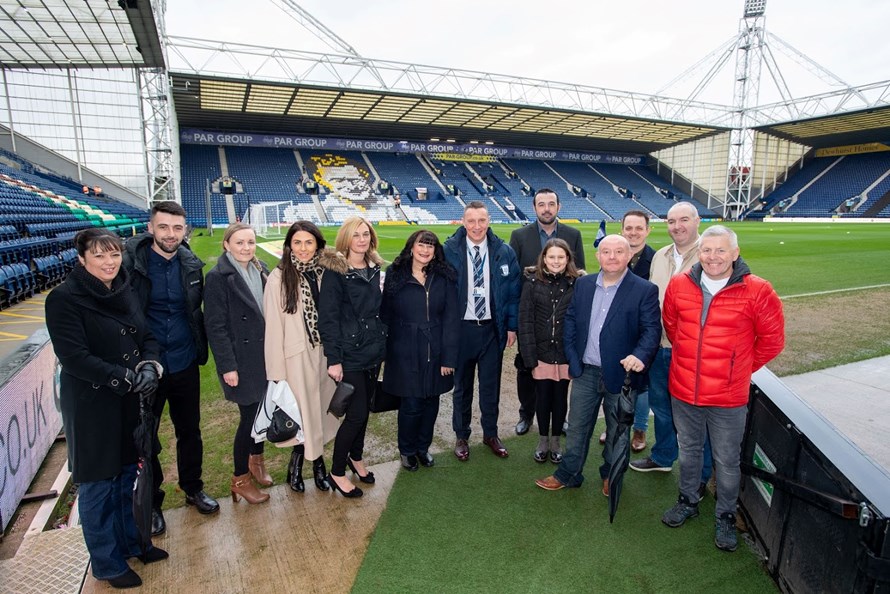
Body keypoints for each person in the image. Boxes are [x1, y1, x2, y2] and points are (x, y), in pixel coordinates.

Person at [45, 229, 168, 589]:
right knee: (99, 487)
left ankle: (134, 543)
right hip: (93, 407)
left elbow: (145, 335)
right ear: (82, 259)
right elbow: (75, 358)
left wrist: (150, 365)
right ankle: (107, 563)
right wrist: (126, 377)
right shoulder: (64, 299)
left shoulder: (123, 288)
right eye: (99, 256)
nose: (109, 262)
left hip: (129, 402)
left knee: (129, 477)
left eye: (114, 254)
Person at [660, 225, 784, 552]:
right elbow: (672, 328)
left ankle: (726, 514)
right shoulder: (679, 285)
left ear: (735, 253)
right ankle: (688, 499)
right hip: (684, 390)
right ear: (699, 253)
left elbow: (772, 341)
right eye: (707, 250)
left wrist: (736, 369)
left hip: (728, 398)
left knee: (727, 461)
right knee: (688, 452)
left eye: (720, 250)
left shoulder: (758, 290)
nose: (713, 257)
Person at [535, 235, 660, 496]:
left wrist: (639, 356)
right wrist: (572, 357)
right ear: (597, 256)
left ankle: (611, 475)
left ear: (628, 256)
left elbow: (651, 331)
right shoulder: (584, 284)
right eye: (606, 251)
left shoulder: (644, 289)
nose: (612, 257)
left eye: (618, 252)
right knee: (578, 427)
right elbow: (571, 321)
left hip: (621, 375)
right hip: (586, 372)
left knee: (617, 431)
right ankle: (569, 473)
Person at [123, 201, 218, 536]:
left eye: (177, 228)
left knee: (189, 430)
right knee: (146, 438)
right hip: (146, 367)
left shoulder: (192, 265)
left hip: (184, 361)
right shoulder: (129, 264)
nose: (170, 234)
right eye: (164, 227)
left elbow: (196, 312)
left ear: (185, 231)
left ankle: (193, 488)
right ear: (150, 228)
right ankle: (152, 502)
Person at [630, 201, 713, 493]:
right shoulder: (661, 256)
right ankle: (664, 456)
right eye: (671, 221)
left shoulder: (709, 256)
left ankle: (702, 475)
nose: (677, 226)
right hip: (659, 346)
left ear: (697, 221)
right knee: (662, 407)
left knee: (694, 414)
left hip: (691, 351)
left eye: (684, 220)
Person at [264, 221, 340, 493]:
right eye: (297, 242)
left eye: (309, 242)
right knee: (301, 415)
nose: (303, 248)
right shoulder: (279, 277)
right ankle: (303, 466)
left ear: (318, 244)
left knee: (319, 412)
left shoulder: (325, 271)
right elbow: (273, 327)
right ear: (289, 246)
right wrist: (276, 372)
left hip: (323, 353)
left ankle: (316, 465)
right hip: (295, 357)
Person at [444, 201, 520, 460]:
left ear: (489, 221)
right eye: (471, 221)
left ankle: (490, 433)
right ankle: (462, 435)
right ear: (463, 222)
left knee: (490, 387)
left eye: (481, 221)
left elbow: (512, 294)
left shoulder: (504, 251)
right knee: (462, 388)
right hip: (462, 330)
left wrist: (511, 326)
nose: (477, 226)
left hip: (491, 330)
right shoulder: (449, 250)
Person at [318, 216, 387, 498]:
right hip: (349, 354)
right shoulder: (336, 272)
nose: (362, 239)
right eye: (356, 235)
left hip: (373, 350)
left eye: (366, 234)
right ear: (346, 239)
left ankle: (355, 458)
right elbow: (328, 319)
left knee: (365, 411)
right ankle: (336, 471)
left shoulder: (374, 267)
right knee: (355, 414)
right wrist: (334, 359)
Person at [204, 223, 271, 505]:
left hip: (265, 355)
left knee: (262, 416)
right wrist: (227, 367)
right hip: (241, 360)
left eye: (250, 242)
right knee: (249, 420)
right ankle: (240, 478)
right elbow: (216, 327)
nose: (246, 248)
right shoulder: (218, 277)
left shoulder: (260, 268)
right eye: (240, 243)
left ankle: (256, 461)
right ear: (227, 245)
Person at [509, 188, 586, 436]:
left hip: (562, 317)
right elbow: (514, 280)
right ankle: (526, 413)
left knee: (560, 371)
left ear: (558, 207)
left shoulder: (573, 235)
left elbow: (580, 273)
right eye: (541, 204)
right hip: (532, 315)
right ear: (534, 208)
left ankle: (559, 418)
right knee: (527, 366)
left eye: (551, 203)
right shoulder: (520, 235)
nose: (546, 208)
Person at [381, 230, 459, 471]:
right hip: (404, 350)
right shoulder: (396, 273)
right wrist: (389, 351)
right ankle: (407, 450)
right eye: (421, 245)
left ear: (436, 250)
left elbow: (451, 318)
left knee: (431, 403)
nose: (425, 250)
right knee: (411, 404)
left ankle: (423, 448)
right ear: (411, 247)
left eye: (430, 246)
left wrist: (449, 357)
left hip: (436, 350)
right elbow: (386, 314)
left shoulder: (444, 276)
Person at [518, 238, 582, 464]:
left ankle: (556, 441)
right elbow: (525, 322)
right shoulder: (532, 283)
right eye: (552, 257)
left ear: (568, 259)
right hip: (542, 354)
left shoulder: (577, 284)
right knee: (542, 399)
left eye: (561, 257)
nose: (556, 261)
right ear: (544, 258)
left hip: (564, 354)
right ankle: (543, 440)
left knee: (560, 399)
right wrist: (529, 356)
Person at [599, 210, 656, 451]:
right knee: (617, 381)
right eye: (629, 228)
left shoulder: (656, 258)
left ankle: (640, 428)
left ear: (647, 230)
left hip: (643, 327)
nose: (633, 232)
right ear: (622, 229)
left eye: (638, 228)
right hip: (619, 327)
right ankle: (614, 423)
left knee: (640, 385)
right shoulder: (615, 254)